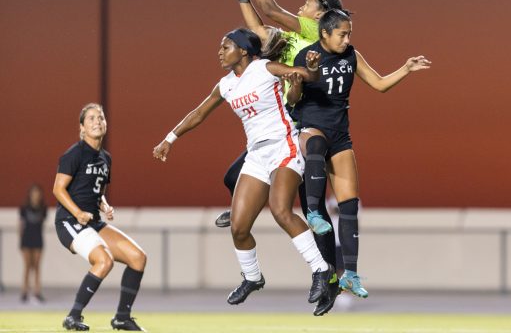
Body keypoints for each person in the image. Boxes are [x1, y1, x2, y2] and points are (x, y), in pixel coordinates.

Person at [152, 28, 335, 310]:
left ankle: (321, 269)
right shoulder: (225, 85)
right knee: (238, 228)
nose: (220, 52)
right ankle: (252, 278)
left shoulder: (264, 68)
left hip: (283, 146)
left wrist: (309, 68)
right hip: (256, 155)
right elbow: (199, 113)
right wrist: (170, 138)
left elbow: (305, 76)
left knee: (281, 210)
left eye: (226, 47)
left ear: (244, 51)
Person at [218, 0, 349, 316]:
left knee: (312, 208)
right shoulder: (296, 39)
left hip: (306, 127)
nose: (302, 5)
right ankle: (245, 211)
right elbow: (259, 33)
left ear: (322, 16)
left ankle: (329, 278)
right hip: (284, 127)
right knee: (234, 175)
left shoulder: (313, 32)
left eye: (308, 2)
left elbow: (271, 11)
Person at [289, 9, 431, 299]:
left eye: (349, 33)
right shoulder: (307, 55)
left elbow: (378, 84)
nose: (347, 38)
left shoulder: (351, 55)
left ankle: (350, 275)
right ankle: (315, 212)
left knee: (350, 206)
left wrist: (405, 68)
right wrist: (298, 81)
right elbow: (293, 99)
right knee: (315, 146)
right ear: (324, 33)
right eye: (342, 33)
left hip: (340, 136)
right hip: (312, 128)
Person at [53, 103, 147, 331]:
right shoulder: (75, 153)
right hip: (69, 221)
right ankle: (73, 316)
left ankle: (122, 318)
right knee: (104, 261)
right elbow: (58, 189)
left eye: (101, 118)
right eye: (91, 118)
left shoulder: (105, 157)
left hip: (93, 221)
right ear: (82, 128)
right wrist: (77, 213)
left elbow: (97, 190)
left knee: (138, 258)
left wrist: (104, 204)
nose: (97, 122)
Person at [19, 183, 47, 303]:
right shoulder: (24, 208)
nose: (35, 195)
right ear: (30, 194)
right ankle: (24, 291)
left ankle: (37, 291)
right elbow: (20, 225)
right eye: (33, 192)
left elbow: (42, 225)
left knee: (36, 266)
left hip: (38, 239)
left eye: (37, 193)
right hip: (26, 239)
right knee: (27, 266)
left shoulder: (43, 208)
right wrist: (20, 240)